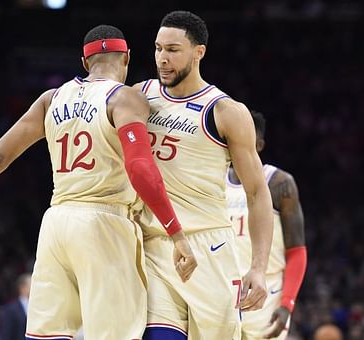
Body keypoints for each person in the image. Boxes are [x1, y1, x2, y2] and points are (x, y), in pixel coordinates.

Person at [0, 24, 198, 340]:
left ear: (84, 62)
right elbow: (140, 168)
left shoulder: (51, 99)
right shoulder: (125, 98)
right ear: (127, 58)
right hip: (105, 222)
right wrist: (176, 233)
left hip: (56, 224)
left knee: (47, 335)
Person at [134, 10, 274, 339]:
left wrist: (258, 267)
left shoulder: (226, 111)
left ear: (199, 53)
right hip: (154, 244)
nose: (162, 59)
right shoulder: (140, 96)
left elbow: (256, 193)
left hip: (208, 247)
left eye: (172, 50)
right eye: (157, 48)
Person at [226, 110, 307, 339]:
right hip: (222, 290)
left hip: (267, 294)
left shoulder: (280, 183)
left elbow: (297, 252)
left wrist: (287, 304)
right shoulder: (213, 180)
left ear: (259, 145)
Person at [0, 273, 31, 340]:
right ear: (22, 288)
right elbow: (6, 334)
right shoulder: (10, 310)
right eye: (32, 285)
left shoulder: (38, 307)